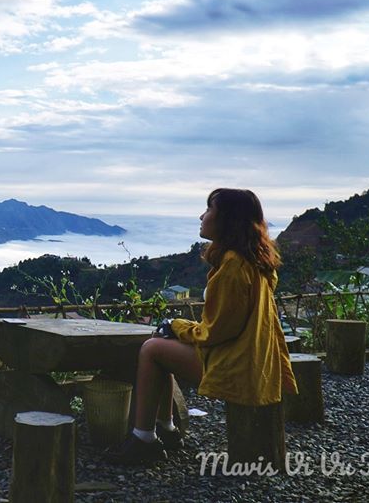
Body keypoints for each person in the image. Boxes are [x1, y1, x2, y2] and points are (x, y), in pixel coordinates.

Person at [105, 188, 298, 466]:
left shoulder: (233, 267)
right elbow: (228, 324)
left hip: (239, 366)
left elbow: (215, 331)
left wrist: (176, 325)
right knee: (163, 345)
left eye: (209, 209)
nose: (201, 216)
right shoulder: (254, 261)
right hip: (255, 359)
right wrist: (178, 330)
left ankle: (144, 439)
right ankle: (165, 430)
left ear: (227, 220)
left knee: (151, 349)